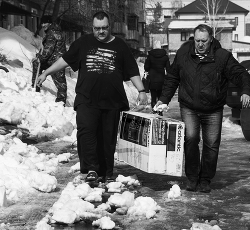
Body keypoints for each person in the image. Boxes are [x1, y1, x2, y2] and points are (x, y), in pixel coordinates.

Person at [36, 11, 148, 184]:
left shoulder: (120, 45)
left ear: (109, 27)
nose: (100, 32)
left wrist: (141, 90)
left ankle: (106, 171)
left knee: (107, 138)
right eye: (97, 28)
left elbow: (132, 70)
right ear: (92, 27)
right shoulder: (83, 43)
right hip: (87, 99)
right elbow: (65, 60)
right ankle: (91, 169)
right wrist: (46, 72)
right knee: (87, 133)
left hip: (112, 101)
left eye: (104, 28)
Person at [155, 24, 250, 193]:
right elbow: (172, 78)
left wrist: (246, 91)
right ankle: (192, 178)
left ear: (211, 39)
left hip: (213, 108)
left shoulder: (222, 56)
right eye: (197, 41)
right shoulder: (184, 54)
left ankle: (205, 179)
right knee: (191, 139)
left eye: (204, 41)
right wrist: (163, 99)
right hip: (189, 106)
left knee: (212, 144)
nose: (200, 44)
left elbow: (240, 73)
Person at [32, 15, 67, 105]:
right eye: (42, 23)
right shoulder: (56, 30)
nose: (43, 25)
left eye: (45, 23)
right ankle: (61, 100)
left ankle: (35, 87)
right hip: (58, 59)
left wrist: (39, 57)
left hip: (56, 60)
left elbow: (48, 50)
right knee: (61, 81)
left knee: (60, 81)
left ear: (50, 23)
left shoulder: (51, 33)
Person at [144, 40, 171, 112]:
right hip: (161, 78)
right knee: (160, 95)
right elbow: (168, 68)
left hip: (152, 78)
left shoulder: (150, 56)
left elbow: (146, 67)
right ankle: (159, 111)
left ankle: (154, 110)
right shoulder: (165, 57)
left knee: (153, 96)